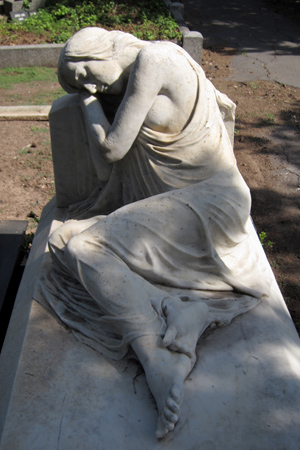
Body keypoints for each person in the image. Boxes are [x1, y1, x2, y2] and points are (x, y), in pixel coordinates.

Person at [46, 27, 270, 438]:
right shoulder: (130, 80)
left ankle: (154, 356)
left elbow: (111, 149)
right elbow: (105, 169)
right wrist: (95, 95)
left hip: (211, 202)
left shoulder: (157, 59)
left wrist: (90, 103)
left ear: (108, 48)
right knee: (61, 241)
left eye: (89, 73)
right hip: (172, 207)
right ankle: (177, 307)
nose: (90, 85)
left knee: (85, 246)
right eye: (81, 85)